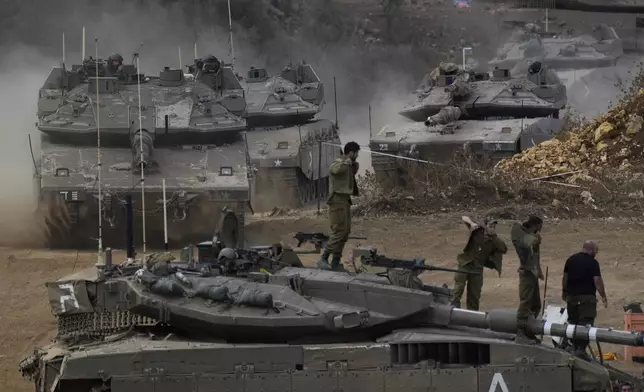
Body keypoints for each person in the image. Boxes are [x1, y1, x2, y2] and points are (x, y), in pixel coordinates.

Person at [317, 141, 360, 271]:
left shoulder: (349, 163)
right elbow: (333, 169)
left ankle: (336, 261)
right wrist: (345, 162)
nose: (357, 156)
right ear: (351, 152)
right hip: (337, 202)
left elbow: (353, 170)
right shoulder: (339, 161)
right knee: (338, 232)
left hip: (344, 201)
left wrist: (351, 163)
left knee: (345, 232)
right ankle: (323, 258)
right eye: (356, 153)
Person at [451, 216, 508, 311]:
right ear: (485, 226)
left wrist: (494, 237)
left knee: (474, 294)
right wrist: (472, 223)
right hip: (465, 264)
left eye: (494, 227)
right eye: (490, 226)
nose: (492, 229)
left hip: (477, 268)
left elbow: (504, 249)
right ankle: (453, 310)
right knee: (458, 289)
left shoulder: (494, 240)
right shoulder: (476, 231)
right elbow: (464, 217)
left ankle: (472, 315)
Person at [562, 240, 607, 356]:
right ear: (590, 249)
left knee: (573, 322)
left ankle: (573, 347)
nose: (596, 253)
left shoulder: (570, 260)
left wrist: (564, 292)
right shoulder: (593, 263)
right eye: (596, 251)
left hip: (571, 297)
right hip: (587, 299)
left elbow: (565, 278)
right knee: (586, 323)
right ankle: (581, 350)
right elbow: (597, 281)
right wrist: (603, 296)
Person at [511, 215, 544, 344]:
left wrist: (539, 271)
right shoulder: (520, 234)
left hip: (533, 273)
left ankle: (529, 331)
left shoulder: (532, 237)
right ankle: (520, 333)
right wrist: (535, 238)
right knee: (525, 304)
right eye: (539, 227)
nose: (540, 231)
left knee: (536, 305)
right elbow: (526, 243)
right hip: (526, 273)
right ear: (534, 225)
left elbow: (535, 255)